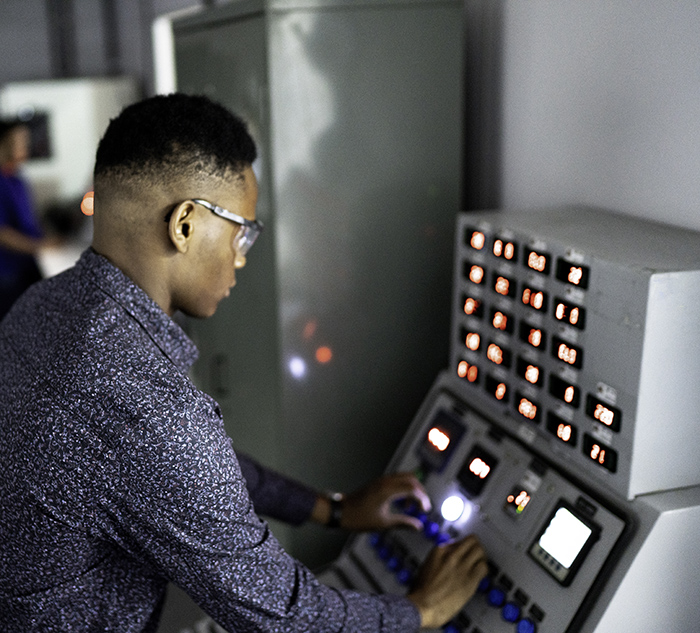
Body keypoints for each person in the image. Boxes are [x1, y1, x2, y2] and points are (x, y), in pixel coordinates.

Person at [0, 93, 487, 632]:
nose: (241, 256)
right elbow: (286, 617)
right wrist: (423, 609)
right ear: (184, 224)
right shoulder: (148, 408)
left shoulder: (44, 307)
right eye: (242, 231)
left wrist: (333, 509)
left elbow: (186, 470)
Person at [0, 118, 58, 320]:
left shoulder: (17, 179)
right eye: (18, 141)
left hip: (25, 266)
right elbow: (3, 233)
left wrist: (47, 238)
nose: (25, 146)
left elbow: (29, 222)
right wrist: (39, 246)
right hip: (7, 273)